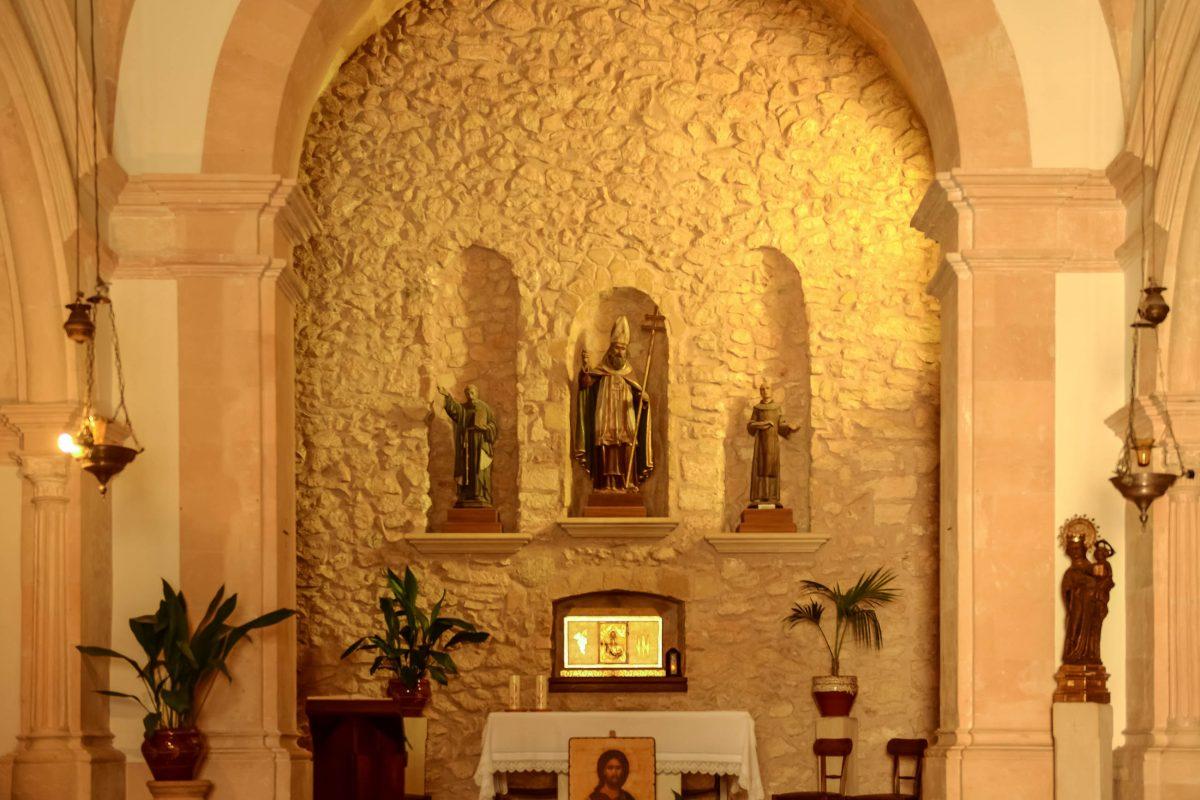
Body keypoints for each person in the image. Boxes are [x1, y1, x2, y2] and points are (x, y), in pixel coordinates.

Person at [574, 316, 653, 492]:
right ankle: (604, 484)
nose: (619, 352)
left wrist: (644, 401)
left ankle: (629, 483)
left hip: (625, 418)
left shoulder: (630, 373)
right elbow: (586, 386)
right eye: (617, 347)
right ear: (610, 349)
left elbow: (639, 398)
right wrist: (586, 367)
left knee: (628, 444)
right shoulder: (601, 371)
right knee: (604, 444)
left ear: (627, 351)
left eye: (623, 348)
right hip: (605, 417)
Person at [437, 384, 499, 507]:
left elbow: (493, 425)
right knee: (466, 467)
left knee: (478, 468)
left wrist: (486, 428)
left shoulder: (485, 408)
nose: (470, 395)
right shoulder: (464, 408)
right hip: (467, 442)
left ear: (477, 393)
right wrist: (447, 396)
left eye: (472, 392)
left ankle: (480, 494)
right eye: (467, 393)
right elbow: (455, 410)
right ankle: (466, 494)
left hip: (480, 442)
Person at [746, 381, 799, 506]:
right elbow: (751, 425)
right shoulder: (757, 409)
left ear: (772, 390)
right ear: (760, 392)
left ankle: (771, 496)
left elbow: (781, 426)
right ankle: (759, 496)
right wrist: (760, 425)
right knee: (760, 468)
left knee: (771, 469)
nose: (765, 391)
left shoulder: (776, 408)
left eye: (767, 388)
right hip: (760, 444)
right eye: (762, 389)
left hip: (772, 443)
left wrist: (789, 427)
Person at [1060, 533, 1097, 664]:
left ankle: (1085, 653)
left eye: (1078, 548)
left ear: (1084, 549)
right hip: (1076, 607)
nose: (1075, 552)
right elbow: (1066, 592)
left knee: (1088, 630)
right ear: (1068, 551)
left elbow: (1098, 586)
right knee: (1074, 628)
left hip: (1088, 608)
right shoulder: (1070, 572)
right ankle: (1073, 652)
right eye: (1073, 549)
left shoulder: (1092, 568)